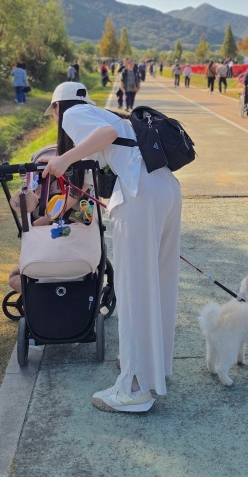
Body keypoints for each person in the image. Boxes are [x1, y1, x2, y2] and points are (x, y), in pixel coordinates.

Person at [41, 82, 182, 414]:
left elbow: (102, 136)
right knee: (159, 283)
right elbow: (96, 163)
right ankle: (152, 367)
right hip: (166, 188)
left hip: (140, 194)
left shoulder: (74, 114)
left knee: (133, 288)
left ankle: (134, 388)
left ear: (57, 107)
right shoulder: (107, 114)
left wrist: (63, 159)